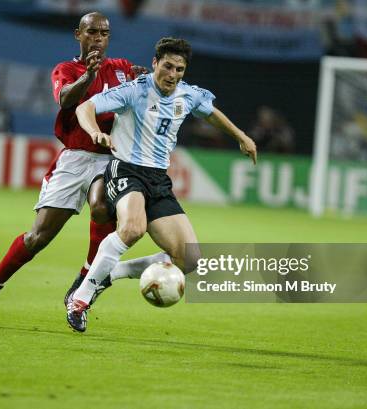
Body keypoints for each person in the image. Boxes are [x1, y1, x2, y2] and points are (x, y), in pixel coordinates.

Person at [0, 12, 165, 318]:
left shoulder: (122, 69)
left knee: (101, 205)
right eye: (93, 32)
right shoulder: (66, 69)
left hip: (111, 158)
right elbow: (64, 100)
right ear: (79, 35)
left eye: (105, 33)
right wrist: (88, 76)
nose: (99, 38)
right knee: (38, 237)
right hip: (74, 158)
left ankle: (84, 282)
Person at [67, 37, 257, 332]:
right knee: (132, 228)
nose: (173, 74)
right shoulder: (135, 90)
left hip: (158, 179)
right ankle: (80, 300)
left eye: (179, 69)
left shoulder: (188, 95)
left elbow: (211, 113)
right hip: (126, 170)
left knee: (191, 261)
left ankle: (109, 273)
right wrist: (95, 133)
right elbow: (84, 109)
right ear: (155, 63)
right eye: (168, 66)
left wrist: (241, 137)